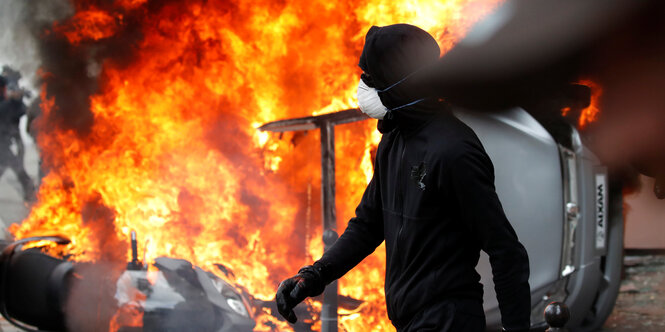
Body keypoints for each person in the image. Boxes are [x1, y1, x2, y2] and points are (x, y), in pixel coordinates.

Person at [276, 24, 531, 331]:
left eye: (371, 79)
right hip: (410, 321)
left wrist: (517, 328)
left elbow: (505, 250)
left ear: (400, 83)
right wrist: (314, 275)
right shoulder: (393, 140)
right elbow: (368, 225)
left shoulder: (454, 151)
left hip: (447, 321)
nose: (363, 86)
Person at [0, 74, 35, 201]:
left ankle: (29, 191)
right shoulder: (6, 103)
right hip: (3, 145)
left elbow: (22, 112)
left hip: (6, 144)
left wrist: (17, 100)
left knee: (15, 167)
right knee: (16, 167)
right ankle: (30, 191)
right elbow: (6, 111)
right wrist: (14, 100)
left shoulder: (8, 102)